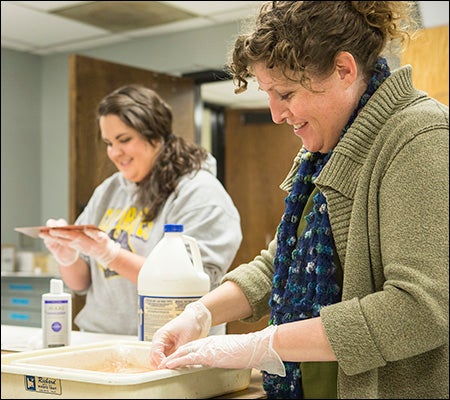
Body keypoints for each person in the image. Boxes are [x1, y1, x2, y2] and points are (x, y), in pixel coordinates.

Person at [148, 1, 449, 399]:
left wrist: (264, 343)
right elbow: (280, 262)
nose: (275, 113)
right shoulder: (323, 151)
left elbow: (419, 311)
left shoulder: (420, 137)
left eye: (285, 93)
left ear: (344, 70)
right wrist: (200, 312)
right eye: (269, 95)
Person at [39, 84, 242, 336]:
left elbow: (188, 285)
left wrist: (111, 254)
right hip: (98, 336)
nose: (114, 152)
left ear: (155, 136)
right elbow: (80, 283)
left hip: (170, 342)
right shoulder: (109, 191)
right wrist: (67, 255)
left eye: (124, 140)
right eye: (109, 142)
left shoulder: (200, 193)